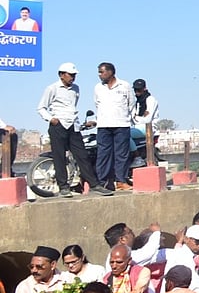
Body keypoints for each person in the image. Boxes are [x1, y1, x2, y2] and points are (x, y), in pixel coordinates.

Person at [37, 63, 109, 197]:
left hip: (73, 126)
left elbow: (72, 106)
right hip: (58, 125)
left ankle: (94, 184)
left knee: (82, 156)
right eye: (70, 75)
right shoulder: (52, 88)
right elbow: (41, 107)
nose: (72, 78)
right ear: (61, 75)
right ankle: (63, 187)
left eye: (74, 75)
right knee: (59, 157)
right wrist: (51, 119)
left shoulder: (76, 89)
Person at [93, 62, 135, 191]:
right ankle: (103, 182)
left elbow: (131, 104)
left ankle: (121, 181)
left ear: (110, 72)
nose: (100, 75)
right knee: (103, 154)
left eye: (102, 72)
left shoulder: (124, 86)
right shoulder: (98, 88)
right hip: (104, 126)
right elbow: (97, 104)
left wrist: (126, 119)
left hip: (121, 124)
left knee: (121, 155)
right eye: (99, 72)